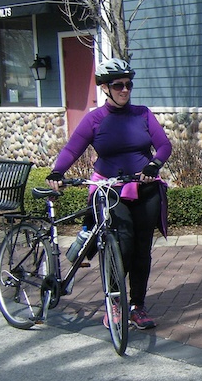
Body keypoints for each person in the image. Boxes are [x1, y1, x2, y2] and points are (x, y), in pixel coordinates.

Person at [47, 58, 172, 330]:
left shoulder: (142, 114)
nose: (125, 90)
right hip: (109, 190)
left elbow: (163, 145)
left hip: (145, 188)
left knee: (142, 250)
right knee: (123, 243)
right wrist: (57, 171)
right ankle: (114, 303)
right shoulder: (95, 120)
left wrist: (153, 165)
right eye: (118, 85)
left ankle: (138, 306)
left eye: (128, 85)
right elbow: (71, 150)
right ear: (105, 88)